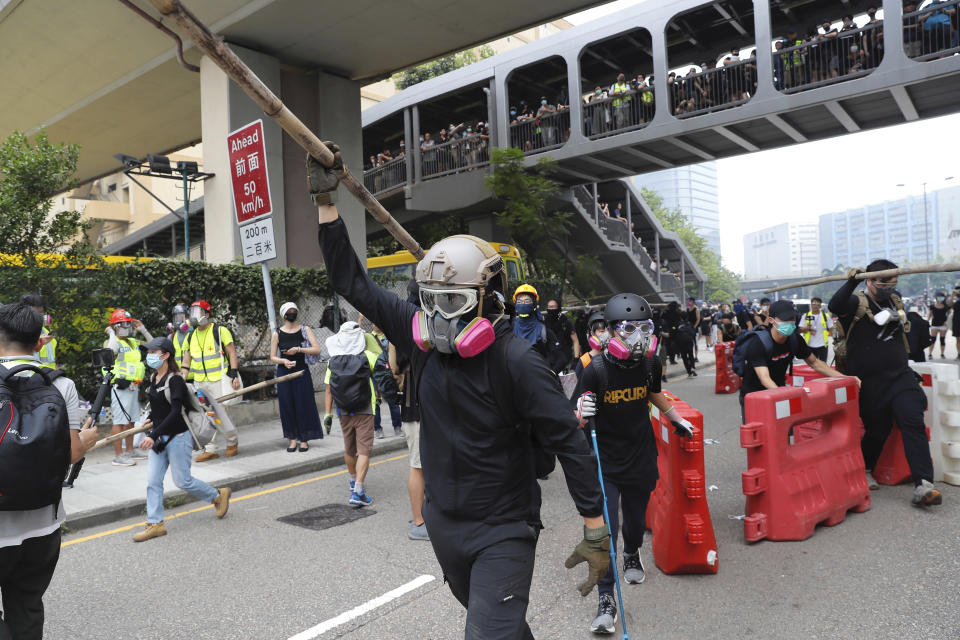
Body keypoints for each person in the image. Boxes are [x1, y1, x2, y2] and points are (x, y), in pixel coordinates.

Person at [309, 145, 609, 639]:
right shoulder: (419, 335)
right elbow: (352, 282)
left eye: (453, 301)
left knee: (486, 634)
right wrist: (326, 202)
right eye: (430, 301)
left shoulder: (517, 361)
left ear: (487, 299)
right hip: (443, 523)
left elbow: (567, 440)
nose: (439, 316)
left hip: (504, 527)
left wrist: (595, 527)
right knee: (500, 628)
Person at [573, 293, 695, 635]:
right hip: (607, 460)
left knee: (636, 521)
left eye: (644, 328)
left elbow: (652, 392)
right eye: (628, 328)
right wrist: (581, 414)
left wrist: (674, 417)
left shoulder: (650, 365)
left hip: (640, 453)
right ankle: (606, 600)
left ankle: (632, 552)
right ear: (611, 332)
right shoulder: (594, 369)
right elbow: (576, 414)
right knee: (605, 529)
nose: (637, 336)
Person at [0, 303, 98, 640]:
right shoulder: (61, 384)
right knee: (27, 606)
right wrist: (86, 440)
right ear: (38, 341)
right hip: (43, 525)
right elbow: (71, 453)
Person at [829, 262, 942, 506]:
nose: (888, 287)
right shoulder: (856, 303)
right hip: (869, 383)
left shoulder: (895, 302)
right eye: (883, 282)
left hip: (901, 377)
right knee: (877, 429)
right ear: (870, 281)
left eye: (892, 282)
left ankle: (924, 484)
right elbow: (834, 305)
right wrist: (852, 281)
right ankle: (867, 468)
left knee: (912, 420)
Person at [133, 337, 232, 542]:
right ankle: (155, 523)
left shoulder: (175, 380)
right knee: (153, 481)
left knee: (183, 481)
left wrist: (152, 435)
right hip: (160, 438)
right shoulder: (153, 378)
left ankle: (217, 495)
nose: (149, 356)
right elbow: (159, 409)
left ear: (166, 355)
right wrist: (149, 421)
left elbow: (176, 412)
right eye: (148, 352)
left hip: (178, 437)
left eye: (153, 352)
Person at [738, 300, 849, 422]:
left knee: (784, 433)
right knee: (760, 436)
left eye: (792, 318)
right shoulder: (759, 343)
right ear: (771, 320)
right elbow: (764, 378)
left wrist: (847, 379)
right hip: (755, 395)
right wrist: (783, 397)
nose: (790, 323)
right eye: (785, 319)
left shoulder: (795, 340)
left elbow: (816, 363)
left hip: (779, 389)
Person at [323, 321, 379, 507]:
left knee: (349, 448)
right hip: (365, 408)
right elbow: (382, 360)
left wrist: (327, 414)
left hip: (343, 410)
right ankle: (358, 491)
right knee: (364, 450)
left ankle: (352, 480)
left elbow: (329, 389)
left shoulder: (333, 361)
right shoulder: (367, 357)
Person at [390, 281, 428, 540]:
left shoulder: (401, 321)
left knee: (422, 463)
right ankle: (418, 521)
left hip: (412, 402)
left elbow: (394, 366)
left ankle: (423, 515)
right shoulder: (426, 320)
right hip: (419, 403)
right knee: (418, 464)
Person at [181, 300, 242, 461]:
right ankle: (210, 448)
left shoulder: (219, 331)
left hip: (218, 380)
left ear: (207, 315)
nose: (195, 316)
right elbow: (186, 362)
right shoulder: (190, 336)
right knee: (205, 415)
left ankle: (232, 442)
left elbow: (232, 353)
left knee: (222, 414)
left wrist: (234, 375)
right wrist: (180, 381)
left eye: (198, 312)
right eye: (192, 313)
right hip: (200, 382)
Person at [269, 302, 324, 452]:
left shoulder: (305, 329)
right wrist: (283, 361)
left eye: (294, 311)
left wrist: (299, 349)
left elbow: (317, 349)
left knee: (303, 403)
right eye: (289, 311)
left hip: (301, 371)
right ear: (284, 315)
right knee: (287, 405)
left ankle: (304, 438)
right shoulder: (277, 333)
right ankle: (292, 439)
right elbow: (272, 357)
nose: (292, 313)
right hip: (284, 373)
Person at [104, 308, 153, 467]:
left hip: (133, 385)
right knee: (119, 421)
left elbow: (154, 345)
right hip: (120, 386)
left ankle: (130, 450)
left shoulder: (132, 342)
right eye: (125, 324)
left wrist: (143, 329)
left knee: (131, 420)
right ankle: (119, 456)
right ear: (117, 326)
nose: (128, 327)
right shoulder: (112, 341)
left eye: (129, 324)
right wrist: (111, 333)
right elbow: (110, 352)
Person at [512, 284, 564, 370]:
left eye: (527, 301)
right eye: (520, 301)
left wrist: (550, 374)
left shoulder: (543, 330)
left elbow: (562, 359)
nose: (523, 304)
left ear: (534, 303)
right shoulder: (511, 328)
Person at [544, 298, 581, 372]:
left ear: (558, 308)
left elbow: (575, 341)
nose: (550, 309)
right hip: (549, 362)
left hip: (566, 360)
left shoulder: (566, 322)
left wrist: (576, 359)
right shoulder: (544, 323)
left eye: (553, 307)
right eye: (549, 307)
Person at [20, 294, 56, 370]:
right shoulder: (16, 332)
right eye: (35, 312)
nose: (40, 316)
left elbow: (52, 362)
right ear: (24, 313)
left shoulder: (46, 332)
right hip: (27, 377)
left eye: (41, 312)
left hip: (48, 377)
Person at [797, 296, 834, 363]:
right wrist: (806, 328)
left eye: (817, 304)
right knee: (812, 364)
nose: (815, 306)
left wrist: (832, 337)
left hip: (823, 345)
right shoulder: (805, 316)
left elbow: (831, 328)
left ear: (820, 306)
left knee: (823, 364)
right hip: (810, 345)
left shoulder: (826, 316)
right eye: (813, 304)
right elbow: (799, 330)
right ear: (811, 305)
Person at [574, 311, 608, 376]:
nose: (606, 334)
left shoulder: (616, 357)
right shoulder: (585, 360)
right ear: (592, 333)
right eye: (602, 331)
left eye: (608, 330)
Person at [167, 303, 192, 378]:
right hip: (178, 377)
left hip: (195, 377)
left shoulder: (195, 332)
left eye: (181, 317)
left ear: (188, 317)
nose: (178, 320)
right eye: (176, 317)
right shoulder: (172, 336)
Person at [928, 291, 949, 359]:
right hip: (934, 325)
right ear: (936, 297)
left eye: (942, 297)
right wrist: (927, 322)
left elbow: (950, 315)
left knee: (942, 340)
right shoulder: (932, 306)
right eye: (939, 297)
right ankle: (930, 354)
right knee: (933, 339)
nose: (940, 298)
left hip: (943, 325)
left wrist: (947, 322)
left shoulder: (946, 306)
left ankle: (942, 354)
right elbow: (930, 315)